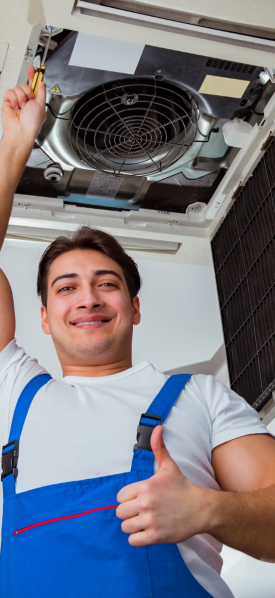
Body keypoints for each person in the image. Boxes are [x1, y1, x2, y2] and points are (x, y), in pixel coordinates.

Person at [0, 67, 275, 598]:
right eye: (66, 288)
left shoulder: (202, 397)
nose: (88, 298)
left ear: (135, 307)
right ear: (41, 318)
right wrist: (15, 143)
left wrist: (206, 508)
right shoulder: (13, 390)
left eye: (107, 284)